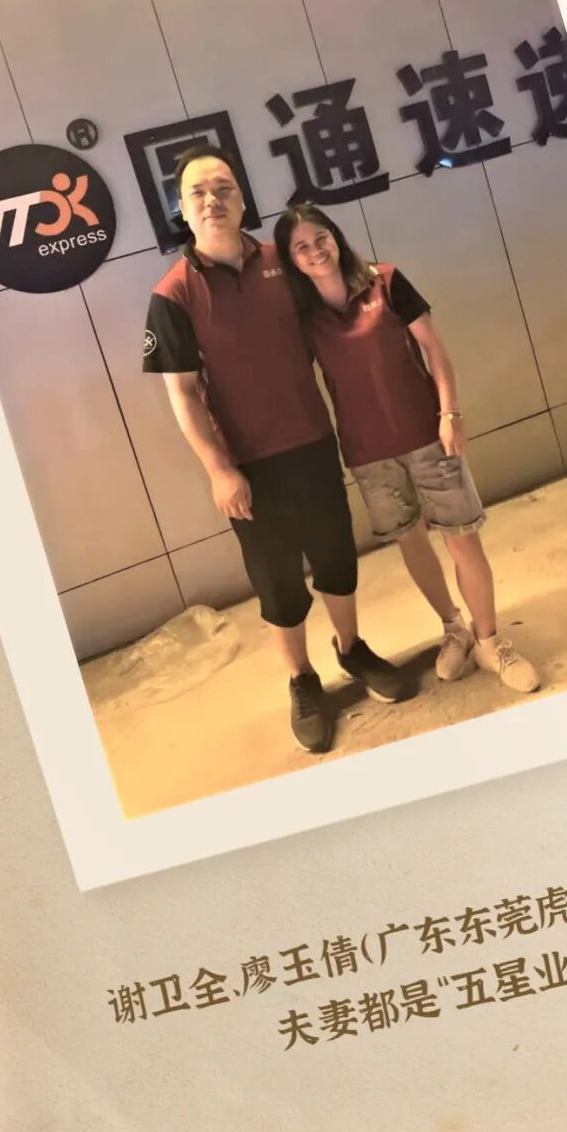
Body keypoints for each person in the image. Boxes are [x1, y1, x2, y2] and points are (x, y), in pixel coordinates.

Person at [142, 146, 409, 756]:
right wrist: (219, 469)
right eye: (198, 193)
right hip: (248, 467)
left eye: (224, 188)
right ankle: (302, 679)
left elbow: (338, 318)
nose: (212, 201)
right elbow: (182, 393)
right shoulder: (173, 294)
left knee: (336, 558)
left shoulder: (281, 264)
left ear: (242, 199)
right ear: (181, 208)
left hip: (312, 441)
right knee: (278, 582)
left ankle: (351, 649)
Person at [274, 203, 541, 695]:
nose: (315, 251)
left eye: (321, 238)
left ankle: (489, 641)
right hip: (368, 453)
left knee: (462, 539)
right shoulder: (305, 318)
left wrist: (449, 413)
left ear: (335, 236)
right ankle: (454, 629)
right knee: (411, 542)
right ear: (291, 260)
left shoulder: (385, 281)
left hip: (427, 436)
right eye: (301, 247)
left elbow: (433, 348)